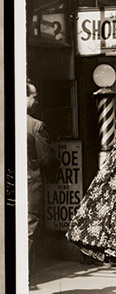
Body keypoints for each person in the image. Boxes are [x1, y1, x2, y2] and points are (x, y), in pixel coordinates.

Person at [27, 81, 59, 277]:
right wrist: (53, 175)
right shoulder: (35, 126)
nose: (36, 101)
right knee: (28, 232)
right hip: (29, 187)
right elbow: (47, 159)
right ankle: (23, 279)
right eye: (33, 97)